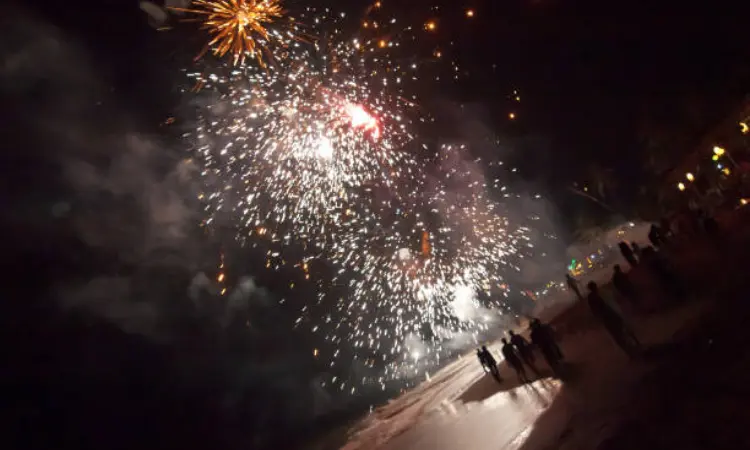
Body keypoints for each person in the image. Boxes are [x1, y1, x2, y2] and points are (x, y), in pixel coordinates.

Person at [586, 281, 640, 357]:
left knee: (619, 336)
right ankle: (635, 347)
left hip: (609, 318)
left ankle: (631, 351)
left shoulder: (593, 297)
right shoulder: (602, 293)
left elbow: (595, 311)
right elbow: (614, 299)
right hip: (613, 315)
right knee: (624, 332)